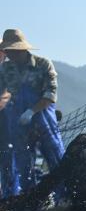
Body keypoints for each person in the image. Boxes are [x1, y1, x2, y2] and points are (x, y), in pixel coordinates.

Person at [0, 29, 64, 198]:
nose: (9, 55)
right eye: (7, 51)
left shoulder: (43, 64)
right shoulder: (5, 69)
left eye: (12, 51)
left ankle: (63, 198)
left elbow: (51, 94)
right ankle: (28, 199)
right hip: (17, 120)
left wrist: (31, 111)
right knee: (22, 161)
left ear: (22, 49)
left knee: (54, 156)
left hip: (42, 117)